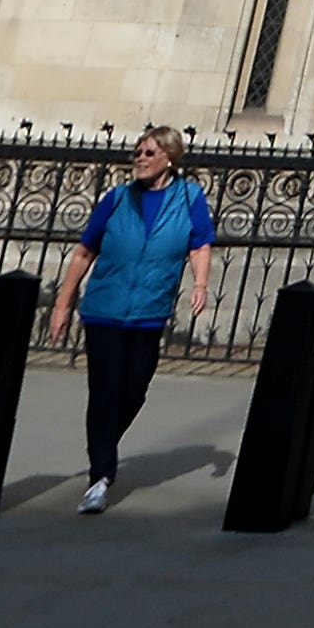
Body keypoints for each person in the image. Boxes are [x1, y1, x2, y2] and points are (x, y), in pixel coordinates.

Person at [54, 124, 216, 514]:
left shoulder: (189, 196)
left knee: (134, 389)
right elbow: (83, 252)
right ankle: (101, 475)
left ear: (169, 158)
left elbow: (200, 243)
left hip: (149, 310)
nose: (139, 159)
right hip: (104, 310)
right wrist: (62, 304)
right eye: (138, 153)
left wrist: (201, 283)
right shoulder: (117, 198)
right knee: (105, 390)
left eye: (148, 153)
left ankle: (103, 443)